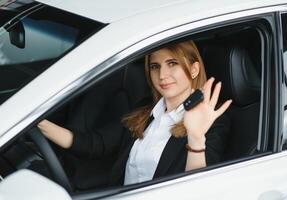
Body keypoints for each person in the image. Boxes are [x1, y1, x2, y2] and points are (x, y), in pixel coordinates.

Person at [38, 40, 232, 186]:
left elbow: (198, 190)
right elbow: (94, 144)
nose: (162, 75)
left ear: (194, 69)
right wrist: (36, 122)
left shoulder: (213, 121)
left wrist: (196, 138)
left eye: (172, 63)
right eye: (155, 66)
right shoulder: (146, 111)